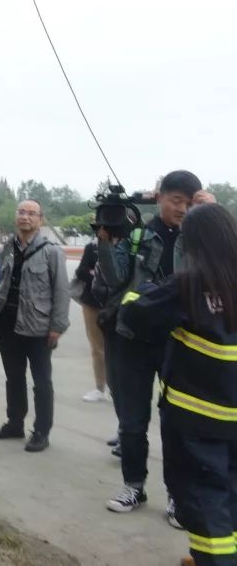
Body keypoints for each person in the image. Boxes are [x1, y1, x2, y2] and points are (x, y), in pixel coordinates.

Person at [120, 204, 237, 566]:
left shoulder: (189, 285)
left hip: (197, 423)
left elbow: (136, 315)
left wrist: (136, 292)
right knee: (230, 499)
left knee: (205, 507)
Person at [94, 169, 201, 524]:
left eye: (188, 203)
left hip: (179, 342)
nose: (182, 209)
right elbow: (113, 278)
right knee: (132, 422)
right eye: (175, 201)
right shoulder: (137, 235)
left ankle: (176, 497)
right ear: (160, 198)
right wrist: (106, 244)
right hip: (133, 340)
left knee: (176, 424)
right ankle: (133, 486)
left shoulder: (198, 239)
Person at [0, 200, 70, 453]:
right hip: (7, 323)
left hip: (39, 327)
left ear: (40, 220)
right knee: (14, 377)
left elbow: (61, 291)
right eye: (21, 212)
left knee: (42, 381)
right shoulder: (6, 249)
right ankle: (15, 423)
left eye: (31, 213)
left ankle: (42, 431)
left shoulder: (51, 251)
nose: (25, 217)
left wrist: (56, 326)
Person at [74, 240, 109, 402]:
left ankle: (117, 388)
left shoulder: (127, 245)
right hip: (92, 304)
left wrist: (96, 273)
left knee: (118, 349)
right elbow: (81, 271)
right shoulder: (92, 247)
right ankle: (100, 387)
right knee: (97, 348)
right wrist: (97, 276)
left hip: (116, 304)